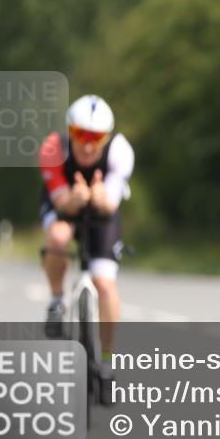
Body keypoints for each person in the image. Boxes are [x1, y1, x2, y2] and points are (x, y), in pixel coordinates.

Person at [38, 94, 134, 404]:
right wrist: (75, 199)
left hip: (101, 210)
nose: (88, 145)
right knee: (57, 238)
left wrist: (97, 196)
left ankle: (106, 360)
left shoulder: (120, 151)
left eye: (96, 138)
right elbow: (60, 201)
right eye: (81, 135)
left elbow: (110, 203)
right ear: (70, 131)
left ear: (107, 138)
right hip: (66, 203)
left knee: (104, 283)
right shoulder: (53, 148)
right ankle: (56, 300)